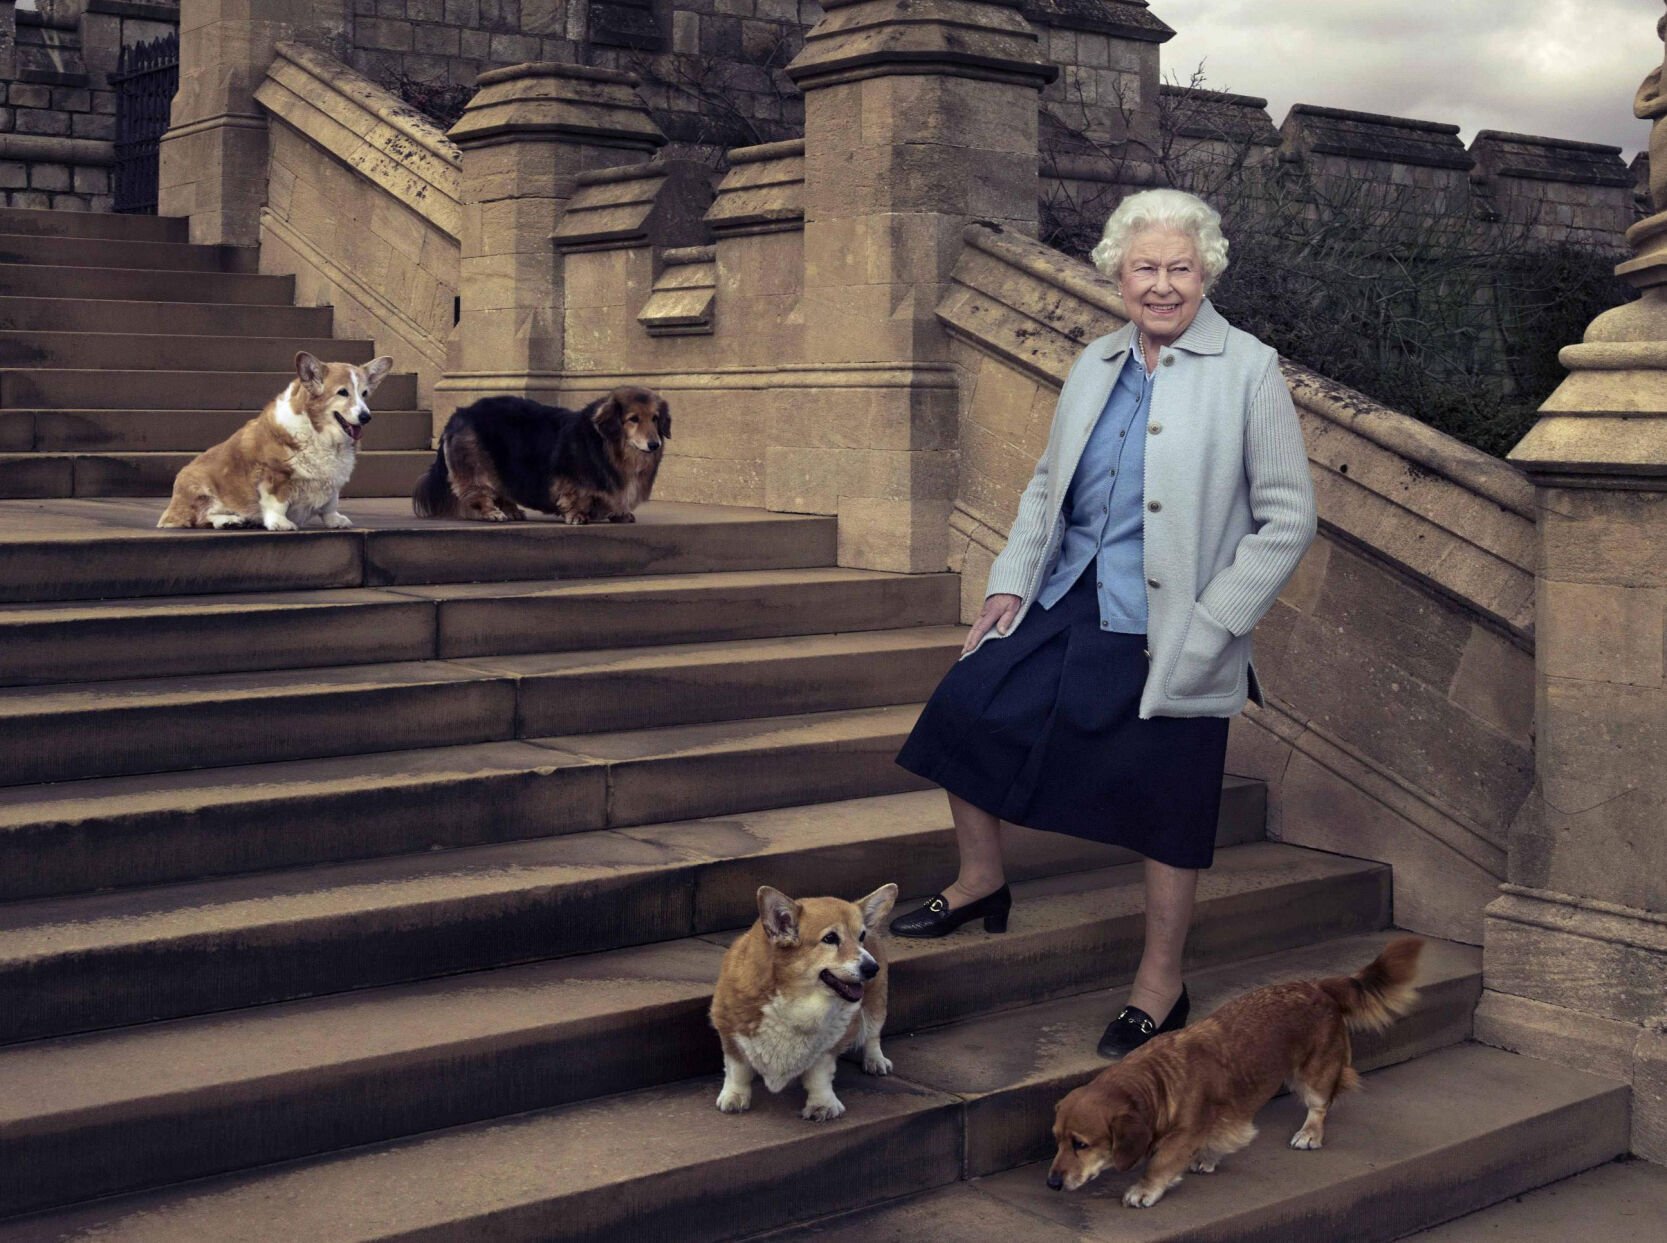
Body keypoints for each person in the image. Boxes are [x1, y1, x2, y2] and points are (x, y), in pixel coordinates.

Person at [890, 188, 1318, 1058]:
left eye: (1179, 269)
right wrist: (1010, 583)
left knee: (1169, 802)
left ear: (1206, 274)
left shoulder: (1247, 369)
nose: (1160, 285)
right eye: (1143, 268)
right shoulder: (1095, 361)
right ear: (1116, 275)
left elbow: (1288, 517)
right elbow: (1049, 485)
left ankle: (1160, 984)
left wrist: (1216, 621)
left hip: (1176, 623)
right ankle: (980, 881)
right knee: (964, 708)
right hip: (1070, 595)